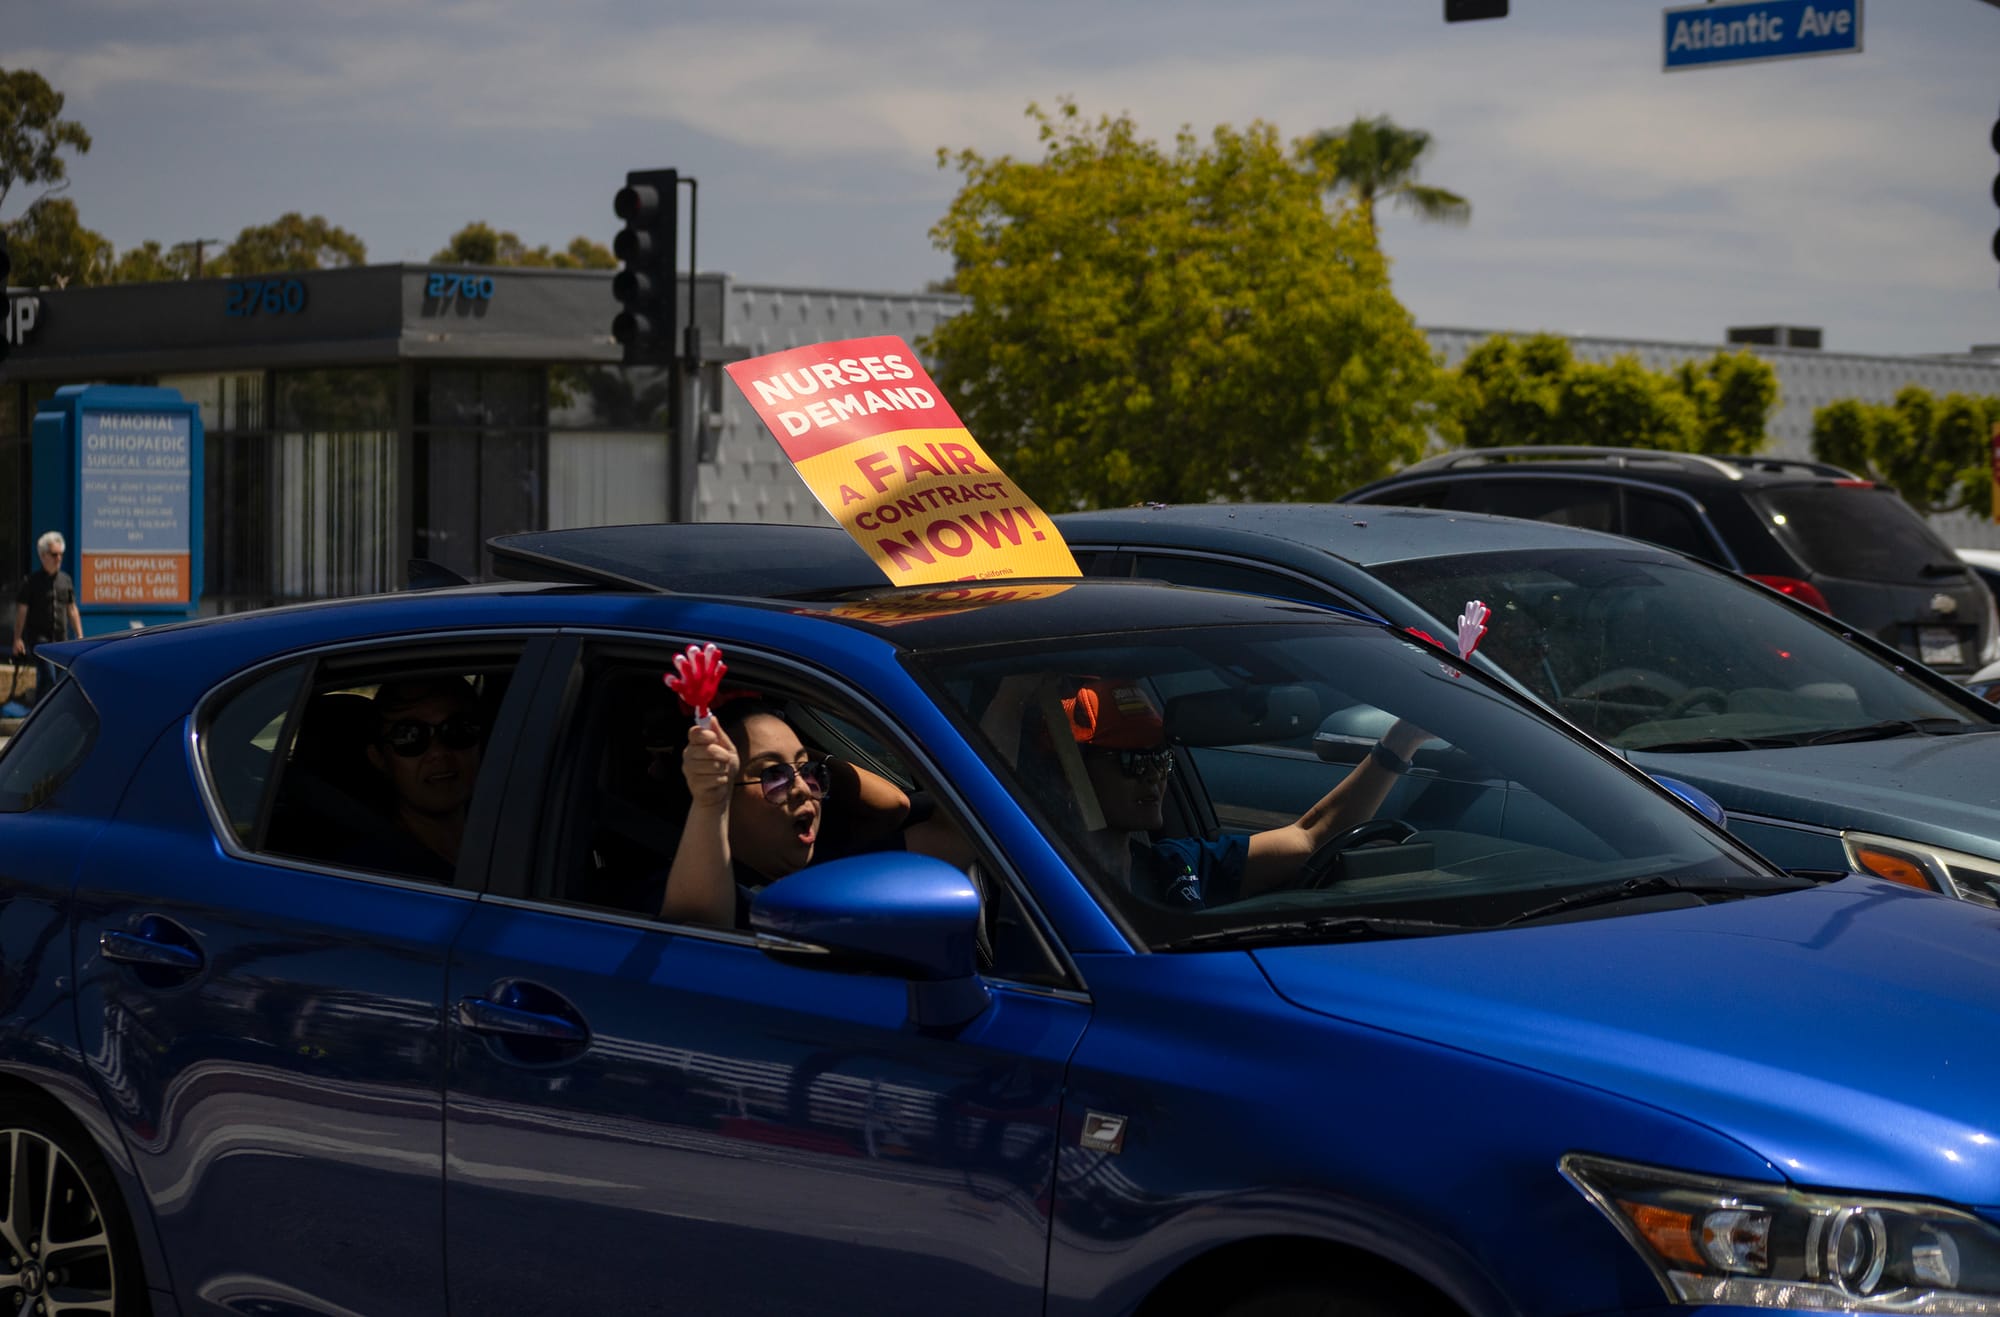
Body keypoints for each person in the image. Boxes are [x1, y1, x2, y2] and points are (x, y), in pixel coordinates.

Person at [1049, 677, 1430, 910]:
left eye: (1161, 759)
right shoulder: (1043, 883)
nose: (1153, 777)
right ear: (1074, 773)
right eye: (1132, 761)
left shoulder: (1177, 863)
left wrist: (1404, 738)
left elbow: (1310, 837)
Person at [661, 693, 967, 929]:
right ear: (719, 795)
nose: (804, 788)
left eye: (809, 771)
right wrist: (709, 803)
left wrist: (1007, 699)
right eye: (773, 776)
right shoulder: (694, 892)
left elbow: (959, 832)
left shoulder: (828, 869)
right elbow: (697, 950)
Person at [337, 676, 488, 880]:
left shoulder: (520, 840)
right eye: (410, 735)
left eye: (458, 729)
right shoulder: (369, 877)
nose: (439, 752)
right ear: (379, 758)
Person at [12, 531, 82, 705]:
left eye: (60, 555)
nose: (58, 558)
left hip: (61, 639)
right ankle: (38, 721)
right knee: (47, 678)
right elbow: (22, 611)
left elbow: (72, 608)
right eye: (54, 554)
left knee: (60, 681)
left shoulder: (65, 580)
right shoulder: (31, 582)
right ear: (43, 556)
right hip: (40, 640)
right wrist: (17, 639)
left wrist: (79, 635)